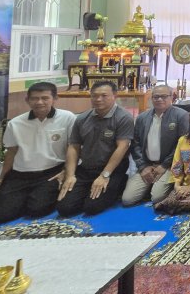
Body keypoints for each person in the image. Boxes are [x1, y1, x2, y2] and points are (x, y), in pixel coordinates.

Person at [0, 82, 76, 223]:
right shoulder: (15, 123)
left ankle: (31, 198)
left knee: (37, 210)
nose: (39, 102)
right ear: (27, 100)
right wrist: (2, 177)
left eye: (45, 98)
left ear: (55, 99)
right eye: (34, 98)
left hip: (51, 172)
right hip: (20, 174)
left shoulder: (67, 117)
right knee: (2, 214)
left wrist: (66, 172)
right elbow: (11, 152)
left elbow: (72, 147)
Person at [57, 81, 134, 216]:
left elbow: (122, 147)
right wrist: (70, 175)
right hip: (87, 167)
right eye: (94, 96)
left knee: (92, 207)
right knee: (65, 208)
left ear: (114, 96)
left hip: (112, 168)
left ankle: (120, 182)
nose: (98, 99)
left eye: (104, 95)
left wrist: (104, 175)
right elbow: (74, 146)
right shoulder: (82, 118)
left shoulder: (123, 117)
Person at [122, 84, 190, 206]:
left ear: (172, 97)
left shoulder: (181, 116)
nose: (159, 99)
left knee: (156, 197)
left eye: (164, 96)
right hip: (147, 165)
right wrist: (143, 167)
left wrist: (164, 165)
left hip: (169, 166)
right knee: (127, 199)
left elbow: (182, 145)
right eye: (156, 97)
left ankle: (157, 186)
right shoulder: (142, 117)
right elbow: (135, 144)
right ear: (151, 98)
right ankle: (150, 183)